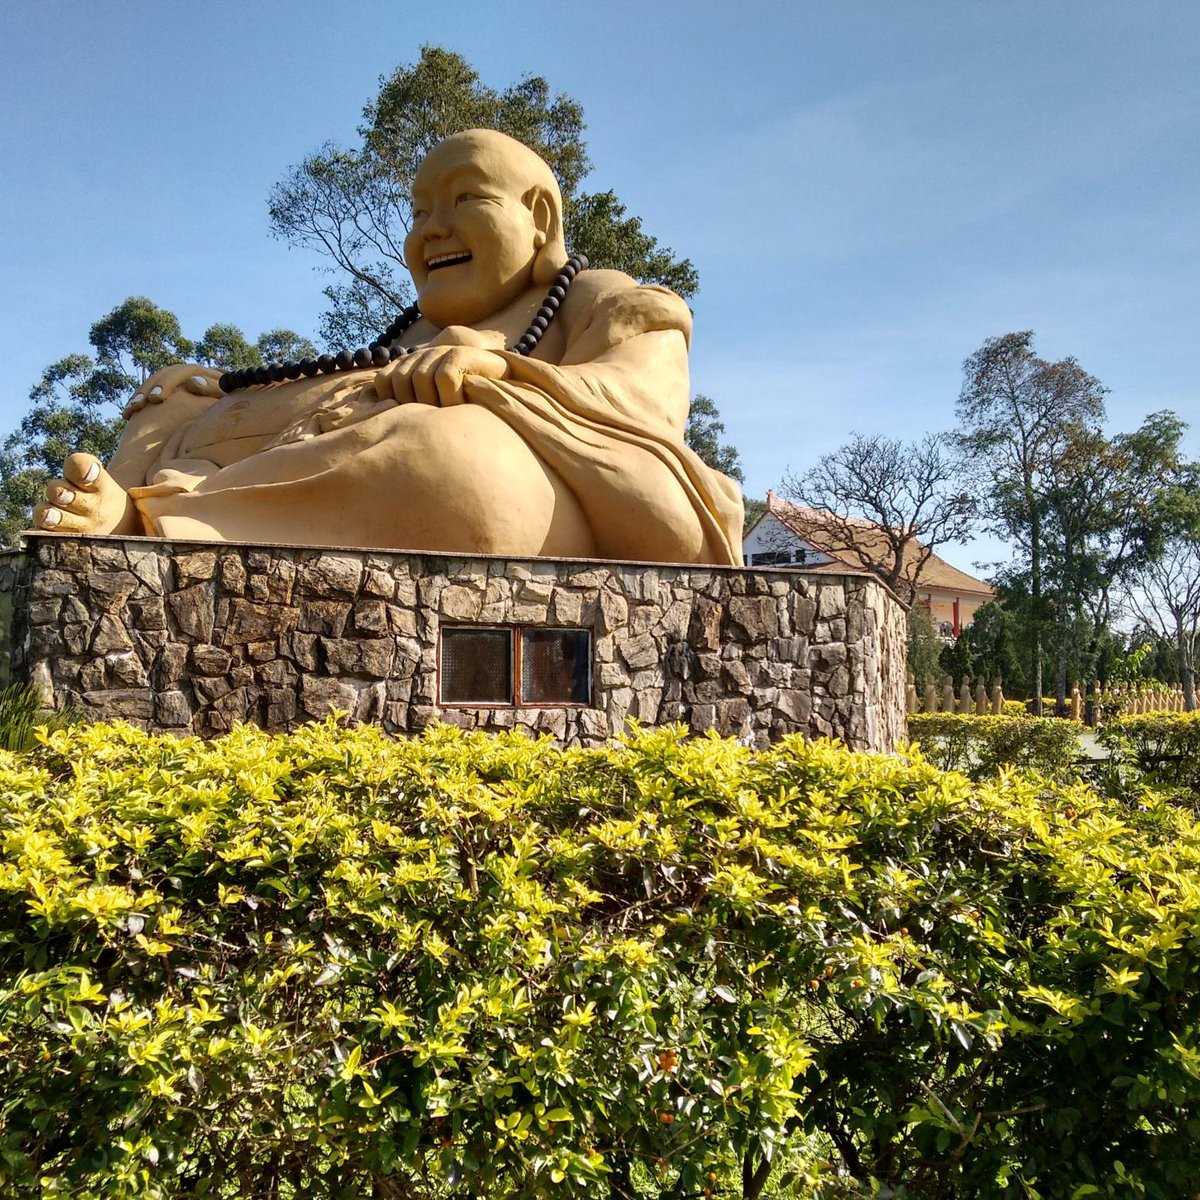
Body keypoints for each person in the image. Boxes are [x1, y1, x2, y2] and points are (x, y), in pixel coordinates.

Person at [33, 130, 743, 565]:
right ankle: (119, 508)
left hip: (495, 484)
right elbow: (333, 389)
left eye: (465, 201)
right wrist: (218, 390)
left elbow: (644, 410)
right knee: (177, 389)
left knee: (447, 453)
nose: (432, 229)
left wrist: (501, 371)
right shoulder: (410, 334)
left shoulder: (610, 301)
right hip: (319, 456)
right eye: (419, 212)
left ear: (540, 217)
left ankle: (159, 522)